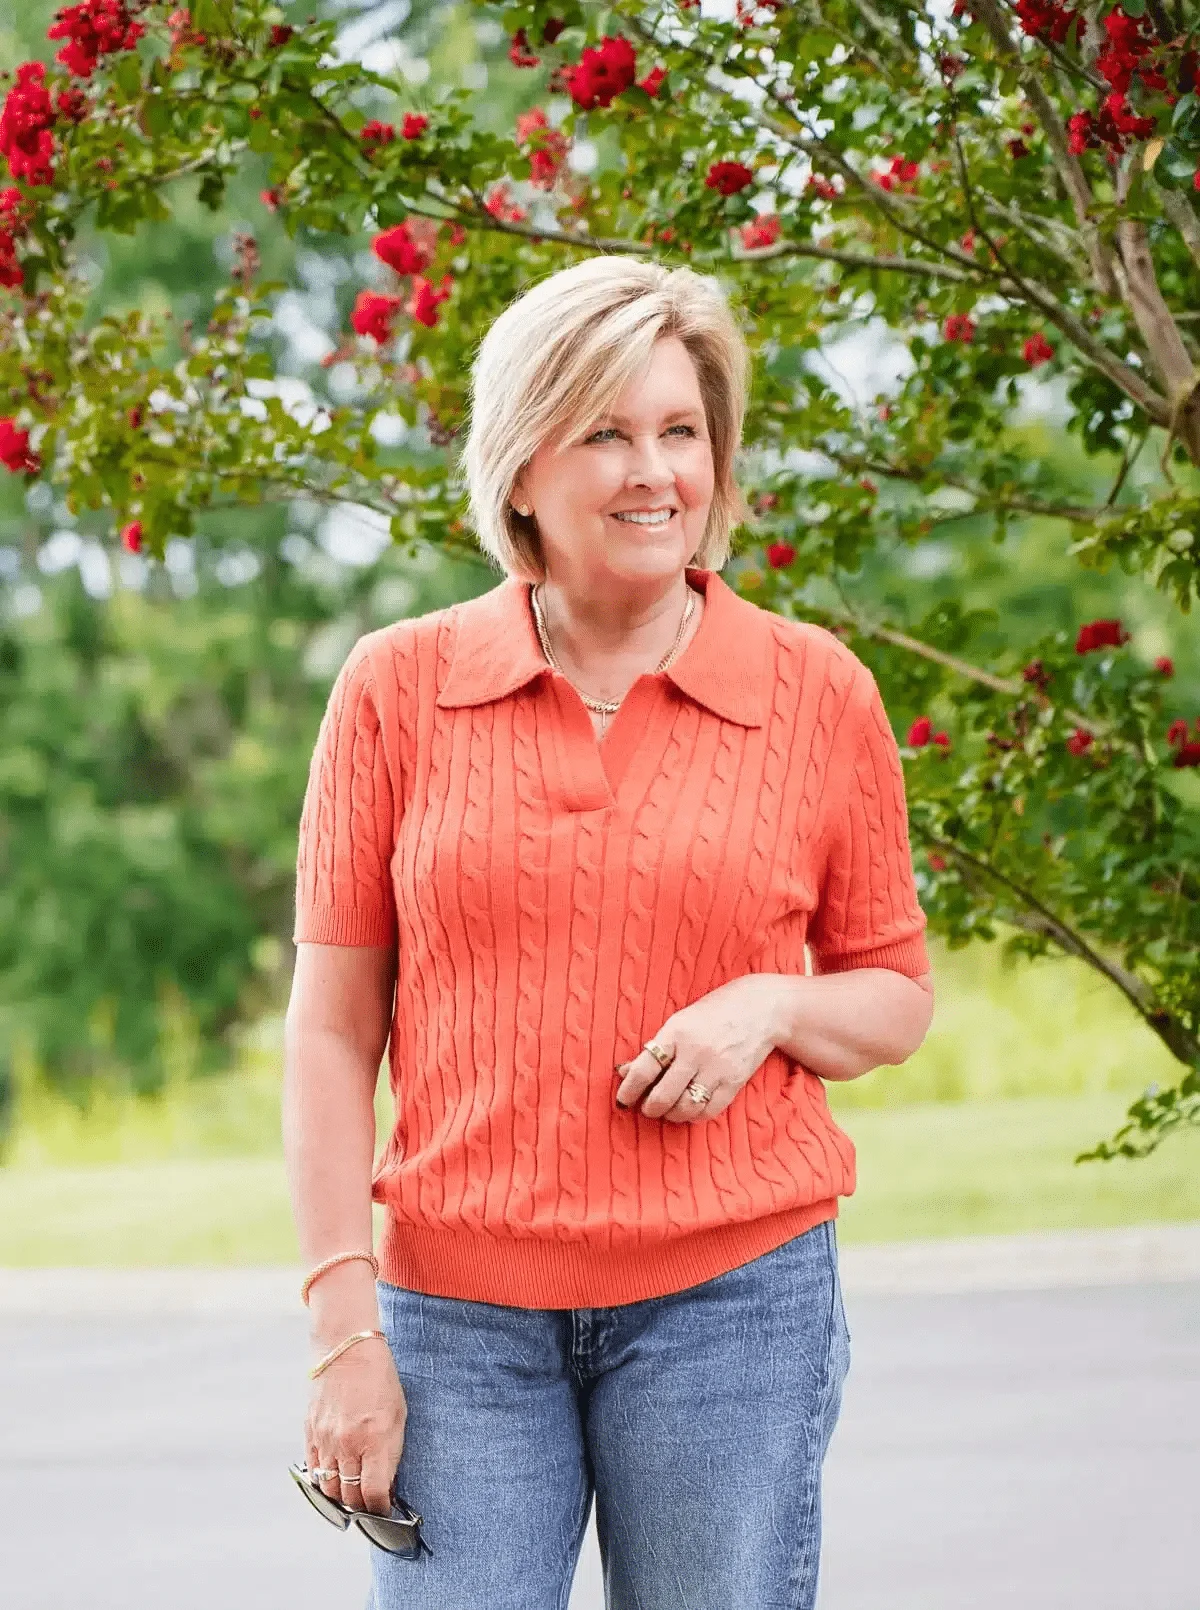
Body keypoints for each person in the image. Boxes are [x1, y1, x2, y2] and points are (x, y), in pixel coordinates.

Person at [282, 254, 935, 1610]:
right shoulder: (398, 690)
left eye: (682, 431)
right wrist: (344, 1325)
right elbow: (333, 1032)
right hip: (457, 1316)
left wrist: (768, 1004)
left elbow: (893, 993)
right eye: (608, 432)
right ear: (521, 467)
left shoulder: (817, 691)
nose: (656, 474)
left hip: (734, 1303)